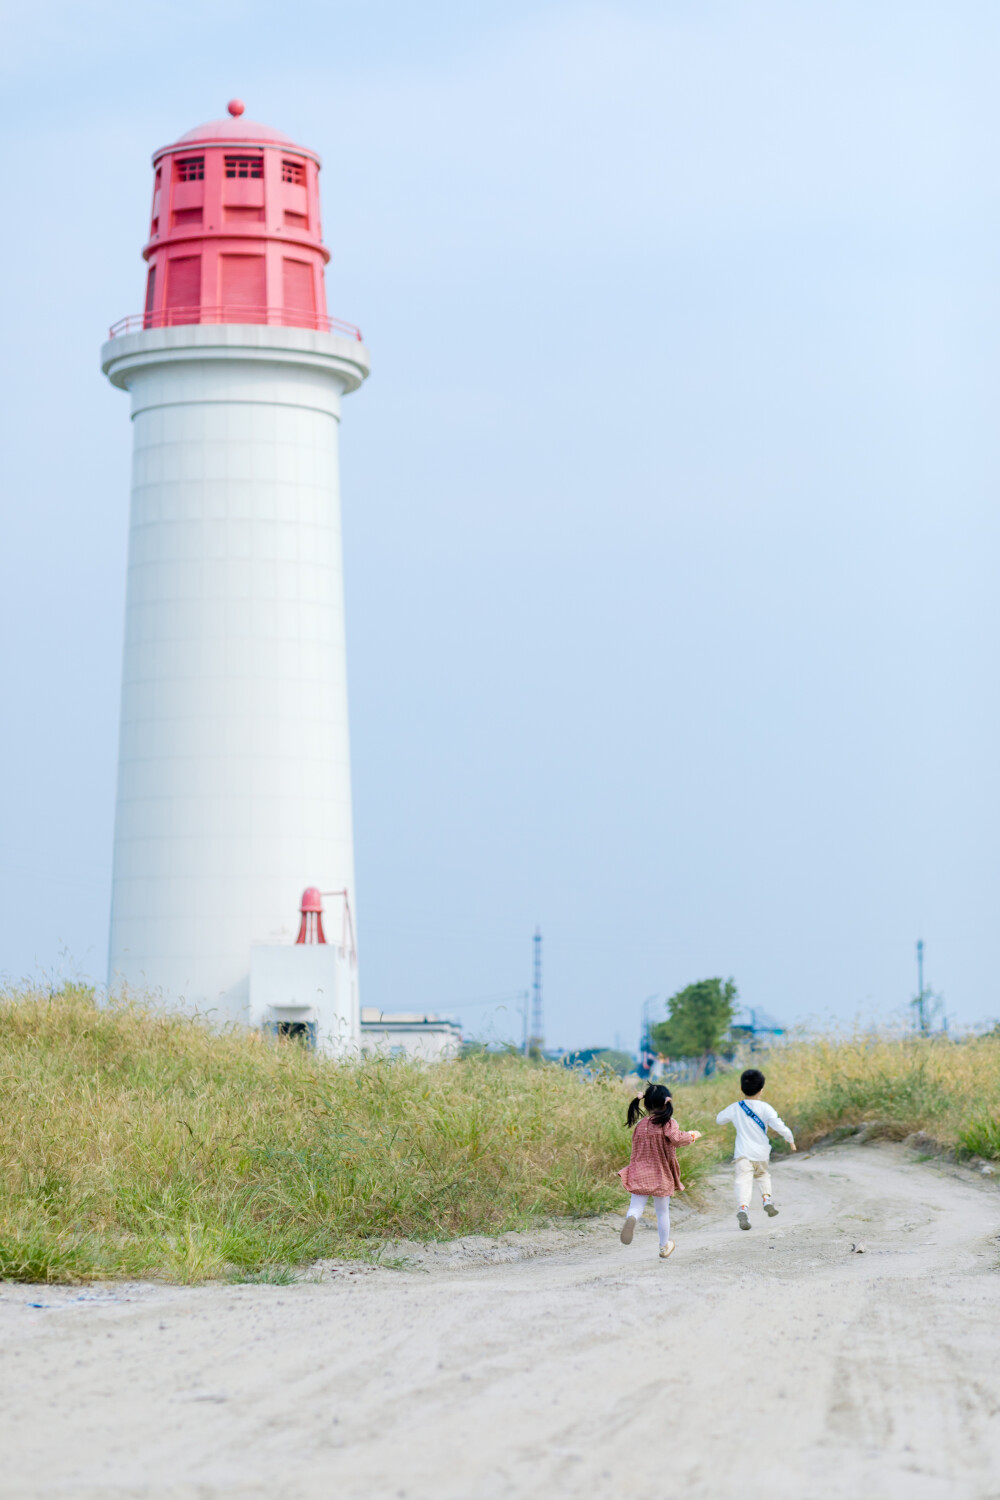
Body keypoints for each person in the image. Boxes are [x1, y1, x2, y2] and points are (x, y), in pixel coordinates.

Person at [618, 1083, 702, 1259]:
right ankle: (664, 1246)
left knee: (636, 1206)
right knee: (662, 1211)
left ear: (646, 1104)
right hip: (661, 1173)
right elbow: (677, 1139)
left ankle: (632, 1218)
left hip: (639, 1171)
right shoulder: (668, 1123)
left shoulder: (641, 1125)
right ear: (666, 1103)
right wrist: (693, 1135)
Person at [716, 1067, 796, 1231]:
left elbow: (719, 1119)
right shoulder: (766, 1108)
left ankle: (743, 1208)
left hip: (742, 1154)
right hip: (761, 1154)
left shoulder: (736, 1107)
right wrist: (790, 1139)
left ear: (741, 1088)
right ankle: (766, 1199)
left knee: (742, 1181)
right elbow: (779, 1125)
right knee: (763, 1175)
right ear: (761, 1089)